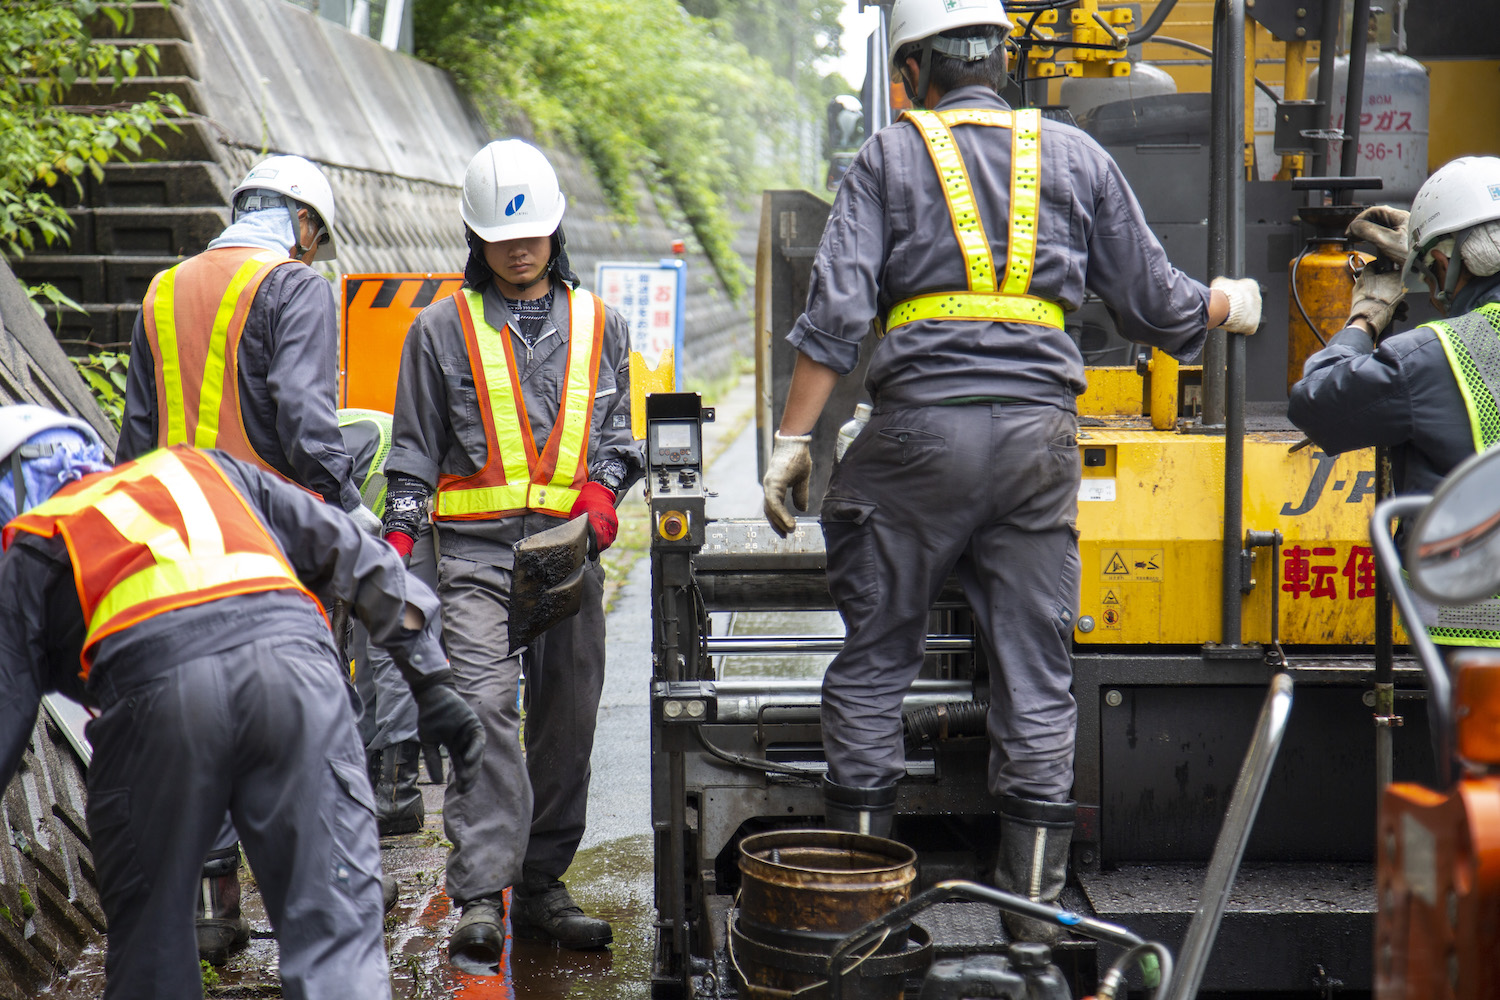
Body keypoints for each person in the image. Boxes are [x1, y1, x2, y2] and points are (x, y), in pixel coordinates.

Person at [758, 0, 1261, 943]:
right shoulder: (1076, 157)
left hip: (913, 445)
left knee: (874, 668)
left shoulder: (887, 155)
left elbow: (834, 317)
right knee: (1037, 678)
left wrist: (793, 441)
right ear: (1003, 61)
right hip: (1038, 448)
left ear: (912, 74)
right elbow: (1158, 305)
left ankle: (860, 911)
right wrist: (1231, 302)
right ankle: (1029, 921)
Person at [0, 407, 485, 1000]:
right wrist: (431, 679)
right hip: (302, 684)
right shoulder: (206, 470)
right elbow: (354, 551)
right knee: (336, 937)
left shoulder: (28, 547)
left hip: (158, 700)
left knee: (152, 949)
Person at [384, 138, 643, 959]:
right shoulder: (437, 330)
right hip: (473, 561)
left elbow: (615, 438)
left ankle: (540, 886)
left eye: (530, 234)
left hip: (569, 553)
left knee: (566, 717)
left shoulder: (604, 324)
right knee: (485, 710)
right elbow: (414, 452)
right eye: (501, 235)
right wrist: (397, 544)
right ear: (476, 238)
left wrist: (602, 499)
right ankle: (480, 894)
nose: (519, 247)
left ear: (557, 231)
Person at [1289, 155, 1500, 643]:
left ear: (1446, 264)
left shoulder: (1432, 355)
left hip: (1476, 646)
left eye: (1429, 273)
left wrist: (1365, 317)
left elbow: (1316, 403)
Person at [338, 406, 432, 835]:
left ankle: (399, 794)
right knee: (367, 649)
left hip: (409, 519)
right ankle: (373, 783)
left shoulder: (284, 452)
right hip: (382, 520)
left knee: (391, 648)